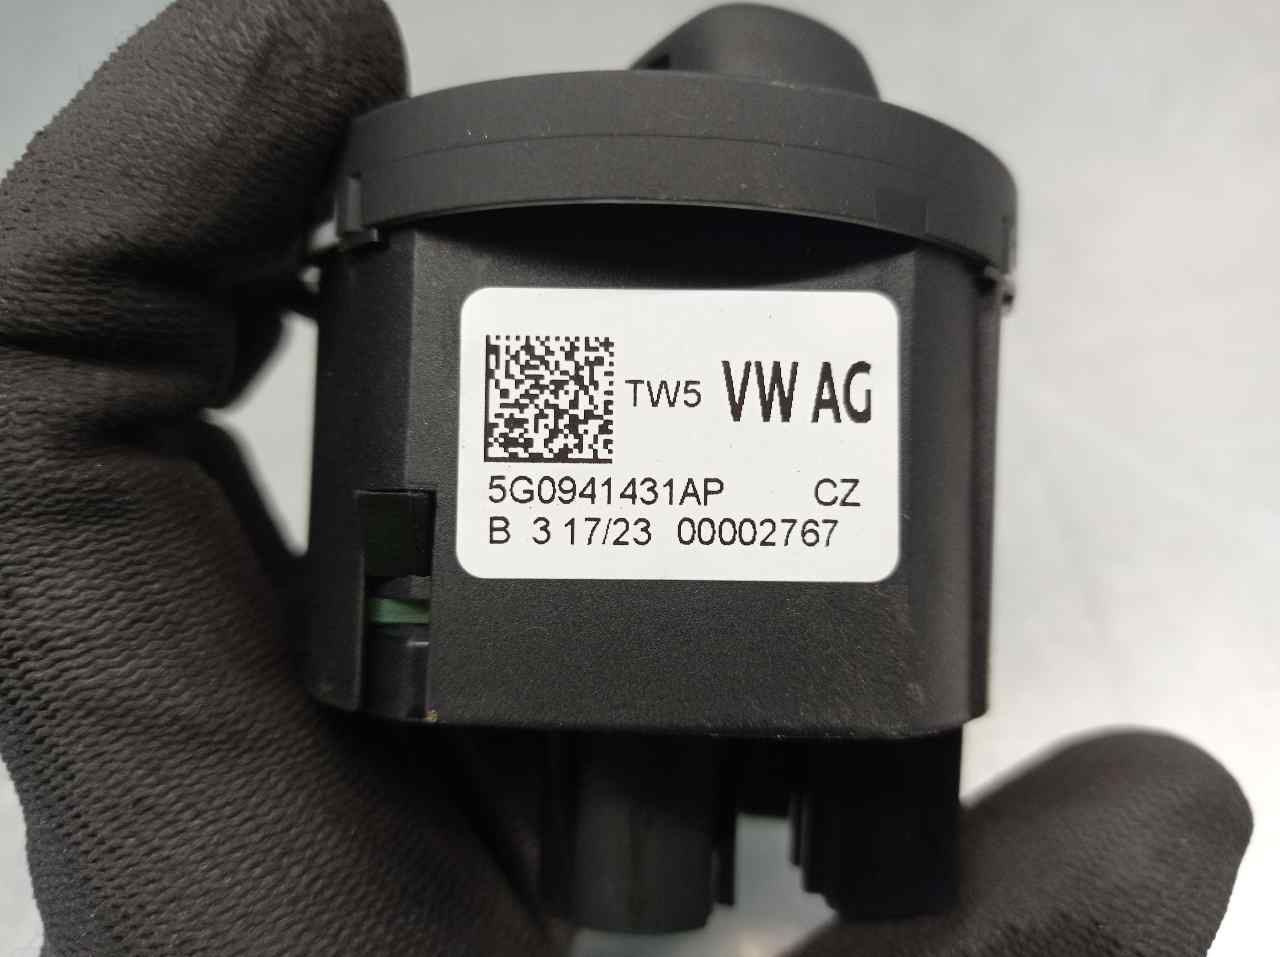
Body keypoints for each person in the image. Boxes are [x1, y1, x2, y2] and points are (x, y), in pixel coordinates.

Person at [0, 0, 1250, 953]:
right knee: (879, 782)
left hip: (418, 625)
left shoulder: (404, 603)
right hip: (455, 634)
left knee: (400, 600)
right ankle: (874, 828)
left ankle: (867, 819)